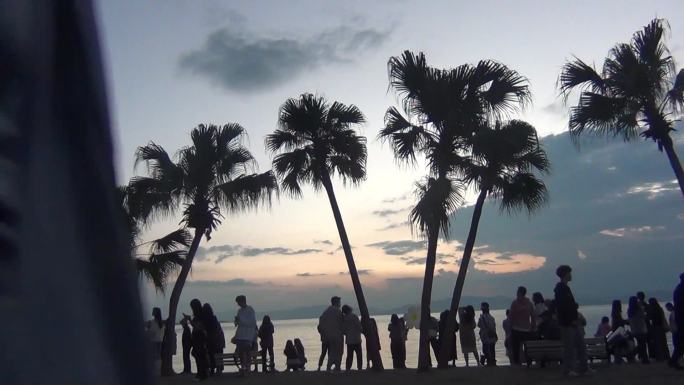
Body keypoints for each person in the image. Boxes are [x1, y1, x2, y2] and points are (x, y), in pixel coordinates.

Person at [554, 265, 589, 377]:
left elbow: (567, 306)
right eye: (569, 273)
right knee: (569, 347)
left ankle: (584, 368)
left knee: (581, 346)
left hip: (573, 322)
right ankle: (568, 370)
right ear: (565, 274)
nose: (571, 275)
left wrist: (574, 308)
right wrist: (571, 319)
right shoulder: (561, 289)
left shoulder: (565, 288)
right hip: (567, 323)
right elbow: (562, 307)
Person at [509, 286, 535, 365]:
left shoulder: (515, 303)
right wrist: (532, 327)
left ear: (520, 293)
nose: (517, 294)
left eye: (518, 292)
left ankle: (519, 362)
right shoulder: (529, 304)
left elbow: (511, 316)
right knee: (524, 347)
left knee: (517, 347)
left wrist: (511, 327)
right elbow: (533, 317)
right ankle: (527, 361)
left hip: (518, 329)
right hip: (525, 329)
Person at [234, 295, 257, 376]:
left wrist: (240, 320)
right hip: (240, 335)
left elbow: (251, 322)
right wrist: (236, 321)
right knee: (240, 352)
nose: (238, 304)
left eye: (238, 302)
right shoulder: (239, 311)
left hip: (248, 336)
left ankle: (247, 368)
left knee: (247, 352)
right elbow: (238, 324)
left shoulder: (250, 310)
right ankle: (243, 367)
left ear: (243, 301)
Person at [318, 296, 344, 371]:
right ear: (336, 302)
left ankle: (328, 366)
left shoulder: (326, 312)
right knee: (338, 352)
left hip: (327, 337)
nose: (340, 303)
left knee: (331, 353)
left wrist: (323, 334)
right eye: (339, 302)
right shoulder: (338, 311)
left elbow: (320, 324)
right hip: (337, 335)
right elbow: (341, 322)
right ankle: (337, 366)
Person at [189, 299, 209, 380]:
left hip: (199, 337)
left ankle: (202, 373)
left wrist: (190, 320)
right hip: (198, 337)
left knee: (198, 355)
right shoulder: (200, 315)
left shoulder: (200, 316)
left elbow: (198, 326)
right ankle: (201, 372)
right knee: (198, 355)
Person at [627, 296, 649, 364]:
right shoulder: (639, 309)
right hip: (641, 328)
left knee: (640, 344)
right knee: (642, 344)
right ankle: (634, 355)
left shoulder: (630, 310)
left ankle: (644, 358)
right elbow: (643, 316)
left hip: (634, 329)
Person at [669, 273, 684, 370]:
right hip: (682, 319)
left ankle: (673, 360)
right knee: (681, 343)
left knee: (681, 343)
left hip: (680, 319)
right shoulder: (681, 290)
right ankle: (673, 361)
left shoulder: (678, 289)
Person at [201, 303, 221, 375]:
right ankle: (212, 368)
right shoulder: (213, 317)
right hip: (213, 338)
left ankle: (207, 368)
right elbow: (216, 328)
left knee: (206, 354)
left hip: (206, 338)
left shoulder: (203, 318)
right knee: (212, 354)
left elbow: (202, 327)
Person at [342, 304, 363, 371]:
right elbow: (359, 327)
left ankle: (348, 368)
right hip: (357, 339)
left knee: (349, 356)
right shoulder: (354, 316)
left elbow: (343, 330)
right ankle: (359, 368)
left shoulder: (344, 319)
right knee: (359, 355)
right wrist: (361, 331)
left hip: (349, 340)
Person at [145, 307, 165, 372]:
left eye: (153, 311)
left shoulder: (152, 322)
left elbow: (151, 332)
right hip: (160, 340)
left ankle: (155, 370)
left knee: (154, 356)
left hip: (153, 341)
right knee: (158, 356)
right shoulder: (161, 323)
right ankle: (158, 369)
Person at [478, 302, 497, 366]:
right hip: (492, 336)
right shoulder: (492, 318)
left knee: (485, 349)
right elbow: (494, 327)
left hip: (485, 336)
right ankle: (493, 361)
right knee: (492, 349)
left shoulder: (482, 318)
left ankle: (489, 361)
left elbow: (479, 325)